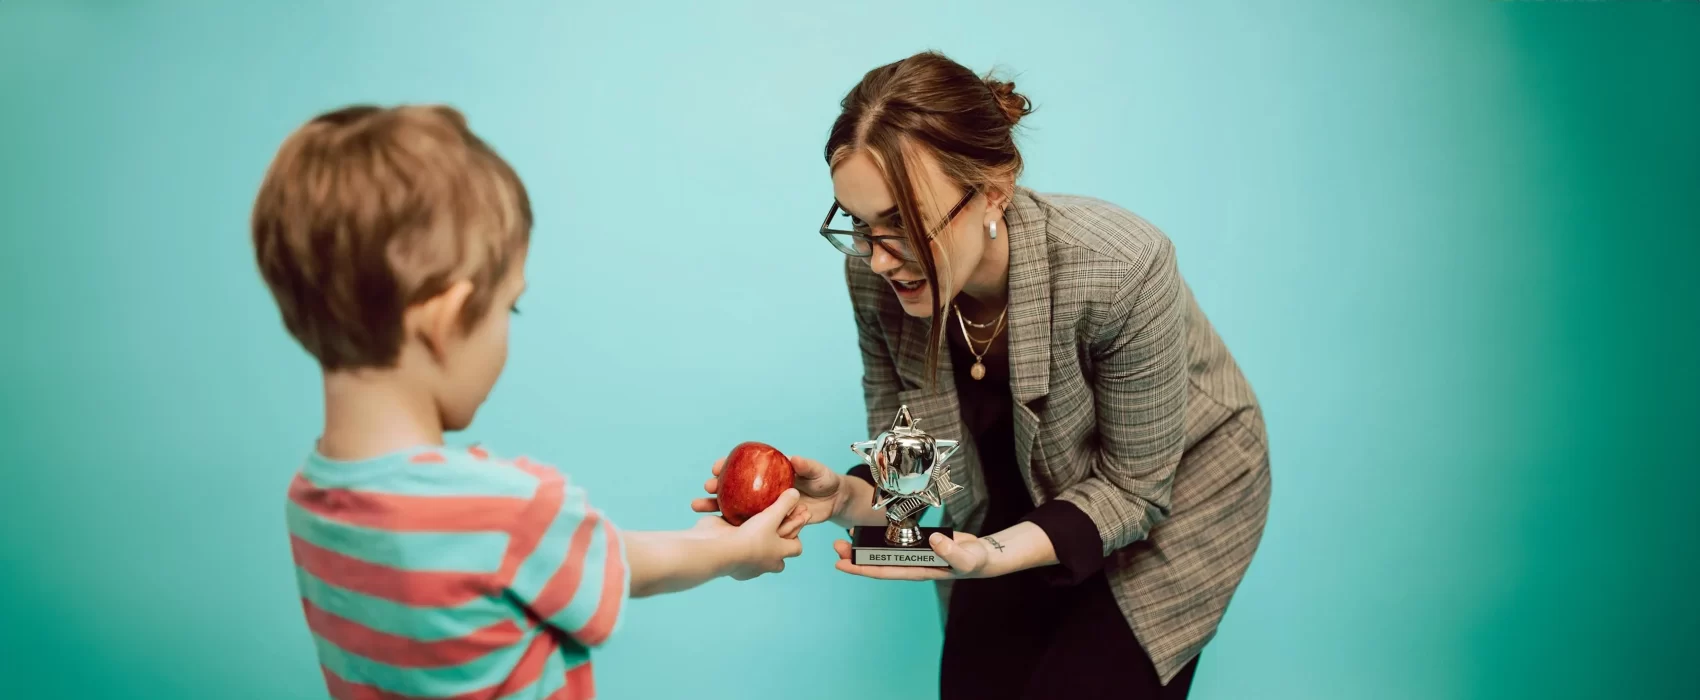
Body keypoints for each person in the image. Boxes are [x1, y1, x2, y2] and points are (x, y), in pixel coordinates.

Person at [696, 51, 1272, 699]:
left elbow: (1135, 490)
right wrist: (844, 500)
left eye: (905, 225)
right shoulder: (872, 278)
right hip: (1014, 494)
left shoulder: (1121, 266)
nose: (880, 259)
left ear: (993, 190)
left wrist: (991, 556)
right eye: (860, 225)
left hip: (1174, 490)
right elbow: (907, 462)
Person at [251, 104, 807, 700]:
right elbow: (624, 567)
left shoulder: (310, 502)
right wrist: (735, 552)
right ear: (446, 322)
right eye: (506, 307)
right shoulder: (504, 509)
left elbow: (596, 559)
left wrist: (724, 542)